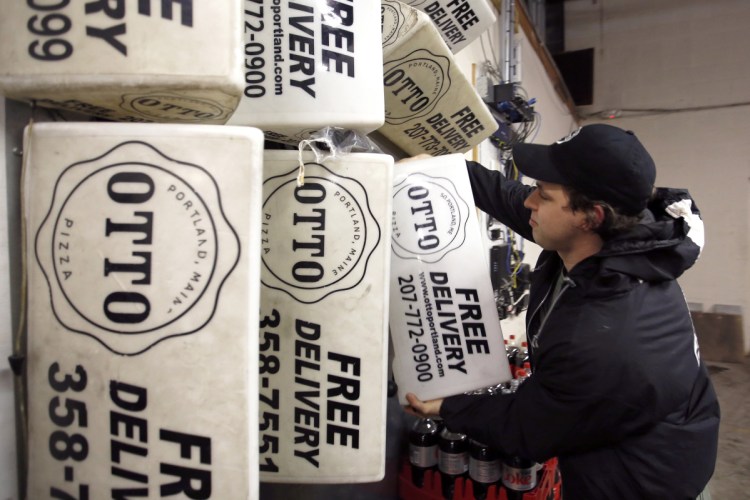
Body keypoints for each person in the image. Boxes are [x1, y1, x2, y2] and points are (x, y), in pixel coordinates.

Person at [405, 124, 720, 499]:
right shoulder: (618, 240)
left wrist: (445, 408)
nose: (529, 202)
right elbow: (512, 198)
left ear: (590, 217)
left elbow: (528, 427)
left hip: (639, 483)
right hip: (639, 430)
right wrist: (446, 172)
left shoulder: (603, 336)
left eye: (543, 194)